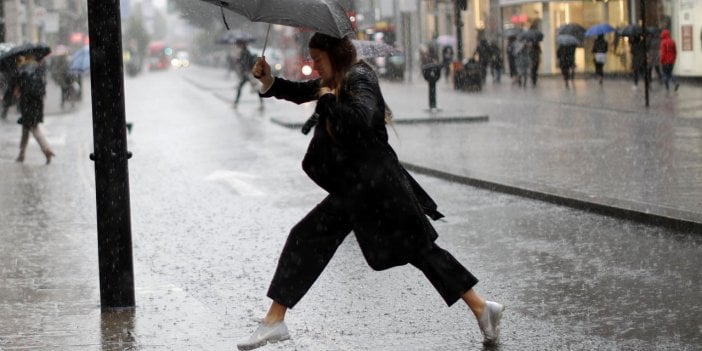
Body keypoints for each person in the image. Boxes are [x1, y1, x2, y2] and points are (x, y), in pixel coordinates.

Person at [238, 32, 505, 350]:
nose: (313, 64)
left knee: (419, 252)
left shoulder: (359, 77)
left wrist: (326, 100)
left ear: (334, 56)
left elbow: (361, 119)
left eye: (318, 58)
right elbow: (298, 91)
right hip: (359, 186)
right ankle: (274, 318)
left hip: (378, 187)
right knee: (314, 238)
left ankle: (481, 307)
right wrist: (269, 81)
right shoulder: (336, 77)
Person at [14, 54, 54, 164]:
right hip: (37, 104)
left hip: (27, 105)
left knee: (34, 128)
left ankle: (47, 149)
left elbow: (16, 89)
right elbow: (42, 87)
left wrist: (15, 94)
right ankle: (21, 154)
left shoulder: (22, 71)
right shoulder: (38, 68)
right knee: (26, 129)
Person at [233, 40, 263, 109]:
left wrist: (240, 62)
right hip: (248, 74)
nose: (238, 46)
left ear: (242, 45)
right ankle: (262, 104)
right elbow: (244, 62)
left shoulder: (244, 52)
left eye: (238, 45)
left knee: (241, 88)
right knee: (255, 88)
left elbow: (245, 63)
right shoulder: (245, 52)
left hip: (248, 74)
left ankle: (235, 103)